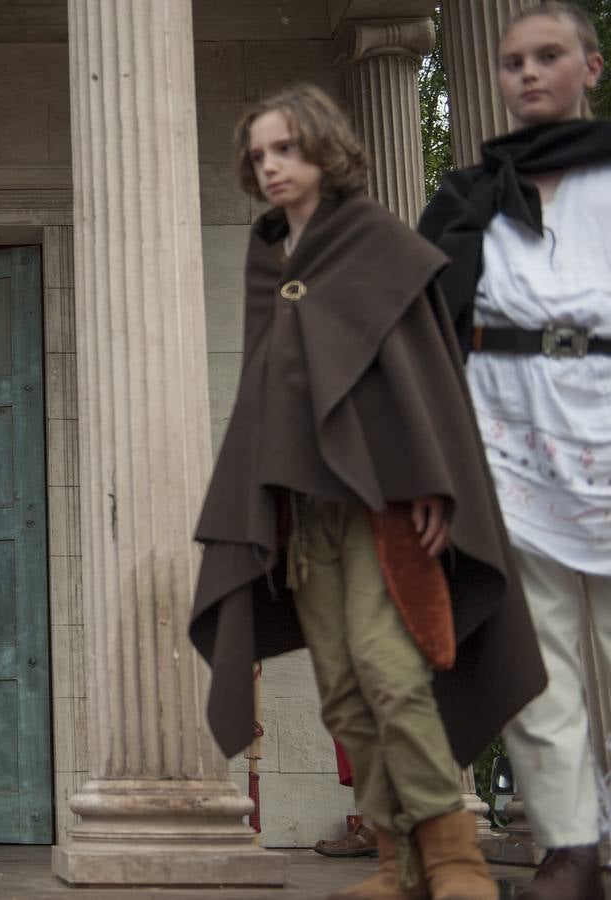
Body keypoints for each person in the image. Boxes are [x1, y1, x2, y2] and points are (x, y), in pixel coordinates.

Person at [188, 84, 546, 900]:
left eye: (285, 148)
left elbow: (424, 375)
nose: (270, 166)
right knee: (346, 697)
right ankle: (398, 865)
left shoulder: (376, 242)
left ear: (324, 148)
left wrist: (432, 480)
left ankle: (456, 862)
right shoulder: (270, 257)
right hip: (303, 512)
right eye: (258, 155)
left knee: (391, 673)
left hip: (383, 506)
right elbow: (265, 392)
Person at [419, 5, 610, 898]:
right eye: (513, 61)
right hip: (506, 447)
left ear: (591, 67)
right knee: (538, 656)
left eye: (549, 55)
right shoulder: (469, 199)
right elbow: (422, 331)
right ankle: (569, 847)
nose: (529, 73)